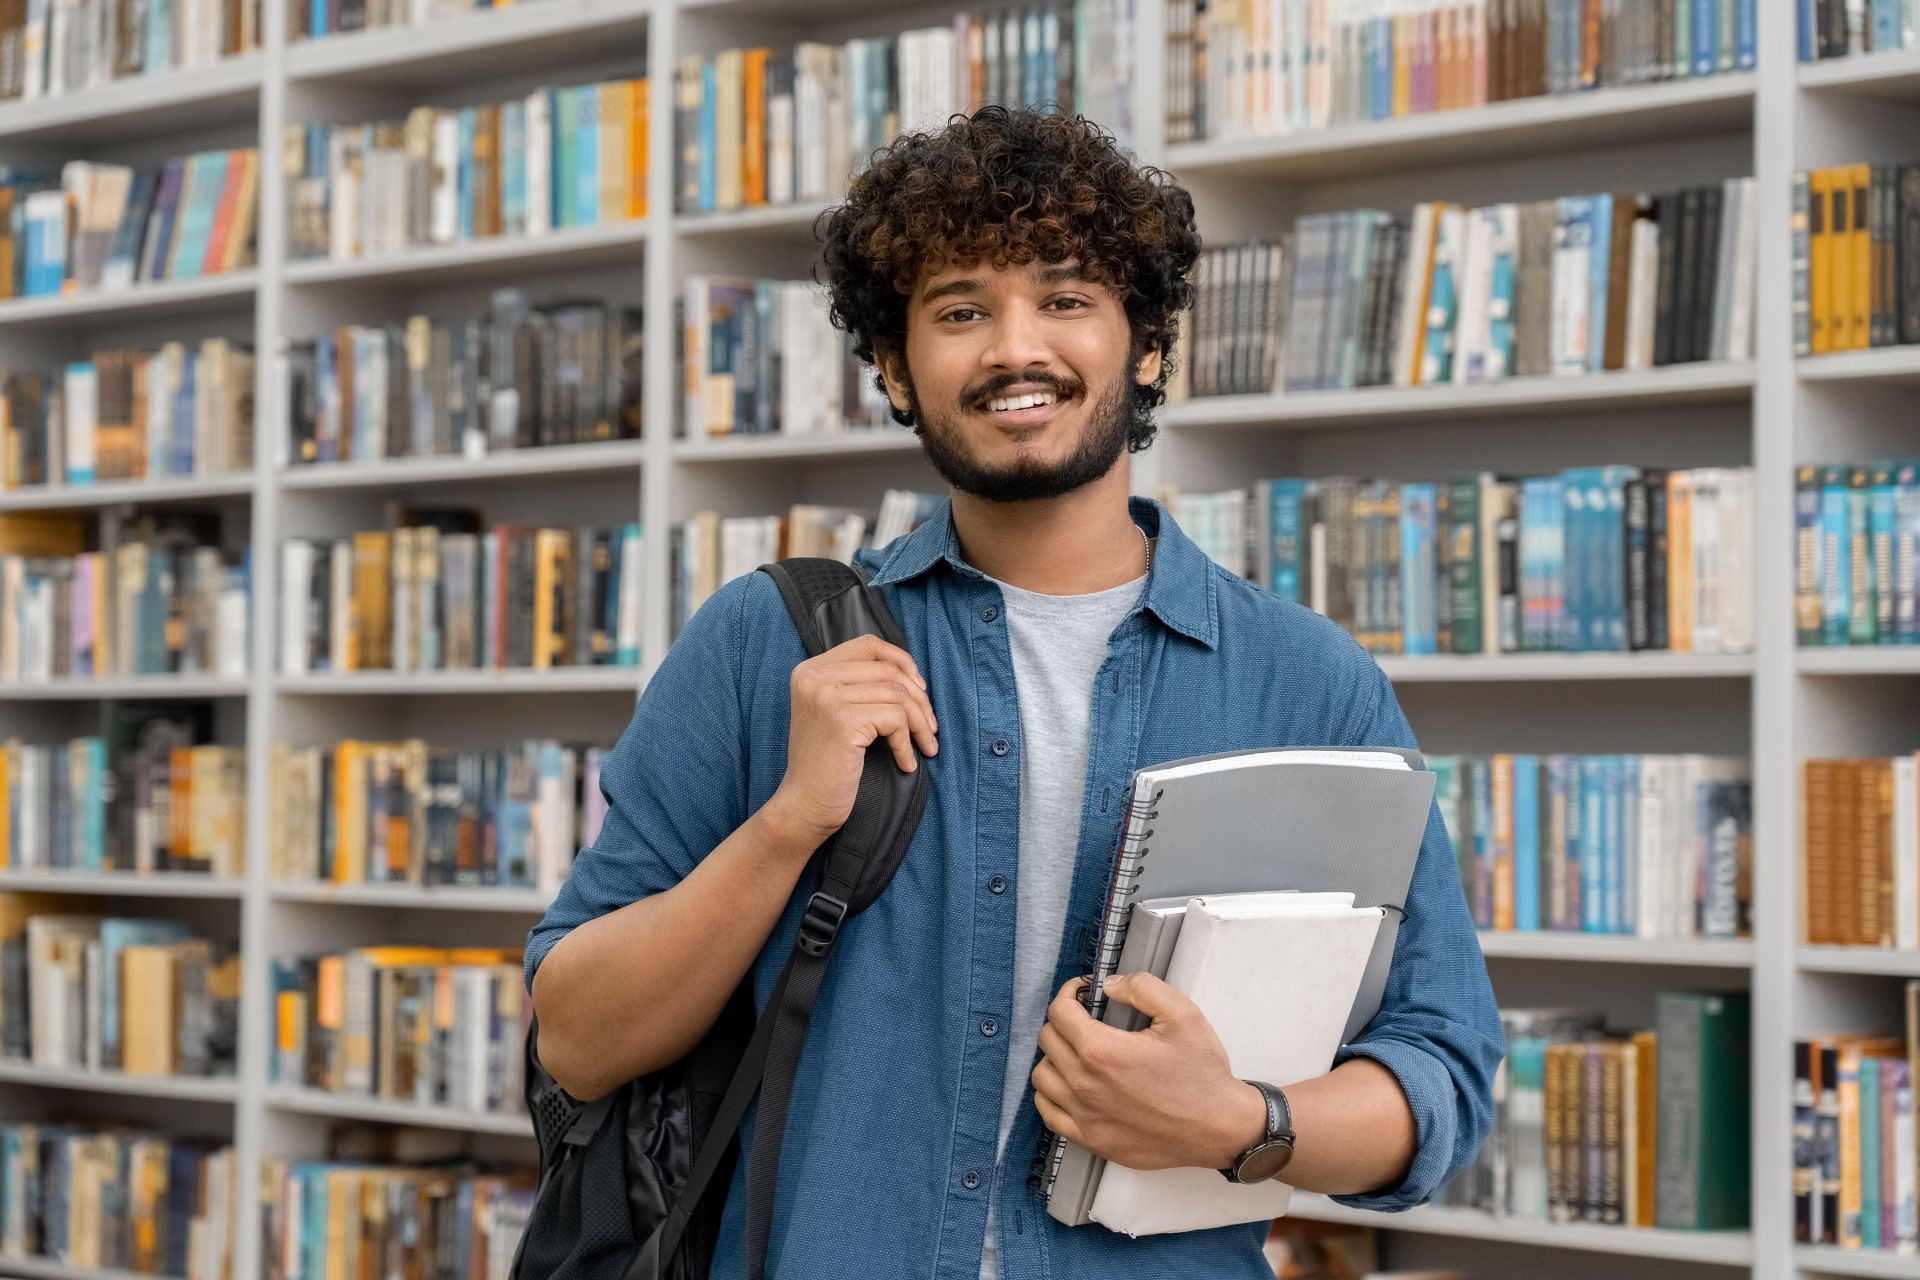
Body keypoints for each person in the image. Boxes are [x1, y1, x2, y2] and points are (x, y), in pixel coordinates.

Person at [526, 106, 1503, 1280]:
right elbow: (575, 1039)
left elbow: (1441, 1073)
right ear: (893, 364)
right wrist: (789, 821)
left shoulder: (1309, 682)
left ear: (1145, 345)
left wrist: (1239, 1121)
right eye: (960, 310)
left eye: (1067, 297)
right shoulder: (764, 642)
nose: (1013, 347)